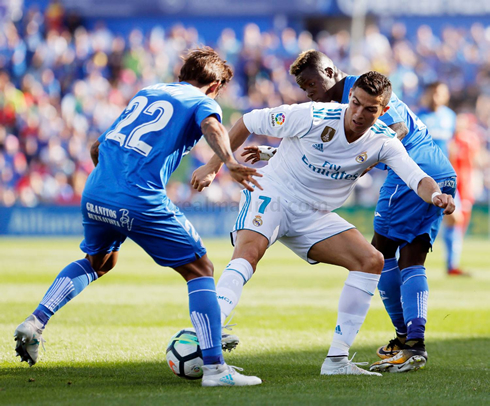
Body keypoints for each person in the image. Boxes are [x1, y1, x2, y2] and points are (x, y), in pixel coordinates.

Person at [13, 47, 262, 387]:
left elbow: (98, 147)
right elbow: (211, 125)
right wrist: (229, 163)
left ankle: (35, 321)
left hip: (96, 189)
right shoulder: (202, 101)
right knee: (200, 269)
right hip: (138, 196)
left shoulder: (147, 93)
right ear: (216, 85)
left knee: (99, 262)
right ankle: (217, 370)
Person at [191, 71, 455, 376]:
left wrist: (436, 195)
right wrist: (215, 166)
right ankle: (207, 337)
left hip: (313, 214)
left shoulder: (384, 141)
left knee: (371, 260)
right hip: (273, 193)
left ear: (383, 111)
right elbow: (249, 121)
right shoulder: (314, 115)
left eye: (370, 109)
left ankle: (337, 361)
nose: (358, 113)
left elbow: (416, 177)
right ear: (350, 96)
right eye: (355, 103)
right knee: (249, 253)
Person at [418, 83, 468, 276]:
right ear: (427, 94)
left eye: (441, 93)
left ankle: (451, 265)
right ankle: (396, 261)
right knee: (413, 223)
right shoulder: (418, 118)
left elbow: (452, 145)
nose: (437, 97)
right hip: (424, 176)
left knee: (455, 217)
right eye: (434, 93)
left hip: (446, 176)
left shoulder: (450, 117)